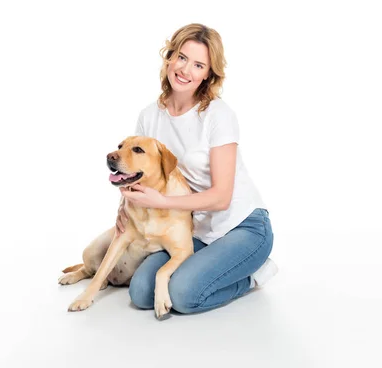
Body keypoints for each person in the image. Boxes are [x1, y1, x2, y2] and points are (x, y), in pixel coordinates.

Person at [117, 23, 278, 315]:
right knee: (141, 292)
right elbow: (135, 169)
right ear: (169, 57)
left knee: (182, 294)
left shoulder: (218, 115)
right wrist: (123, 206)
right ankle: (213, 268)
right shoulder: (149, 116)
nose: (185, 70)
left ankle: (253, 275)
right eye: (181, 57)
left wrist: (163, 202)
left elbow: (221, 198)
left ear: (208, 74)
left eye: (198, 65)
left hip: (242, 225)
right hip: (195, 228)